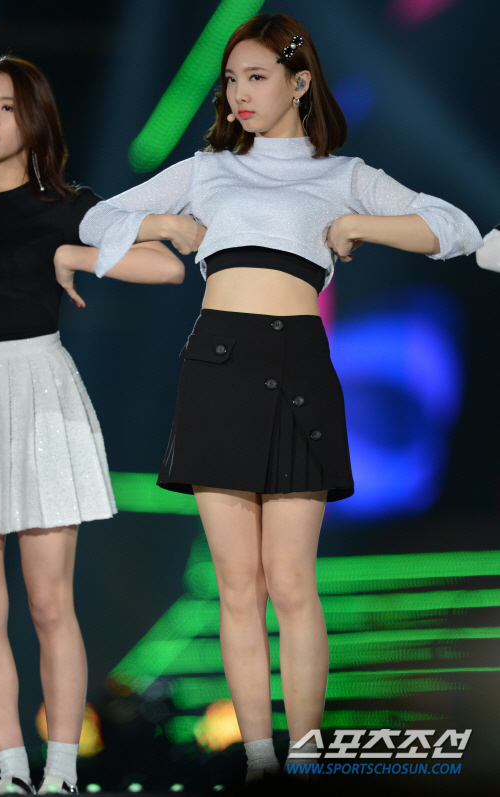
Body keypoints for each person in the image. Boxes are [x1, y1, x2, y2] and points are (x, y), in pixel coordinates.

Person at [76, 13, 482, 783]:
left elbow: (450, 226)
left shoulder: (343, 174)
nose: (239, 93)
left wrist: (363, 223)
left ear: (299, 82)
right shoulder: (206, 170)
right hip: (218, 365)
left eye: (256, 77)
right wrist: (164, 223)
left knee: (292, 582)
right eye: (231, 80)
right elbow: (97, 216)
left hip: (298, 367)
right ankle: (258, 758)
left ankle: (305, 754)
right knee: (237, 583)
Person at [0, 56, 184, 796]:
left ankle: (60, 771)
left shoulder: (66, 204)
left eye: (6, 107)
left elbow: (165, 266)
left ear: (34, 122)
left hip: (38, 395)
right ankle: (11, 771)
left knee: (50, 601)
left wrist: (70, 252)